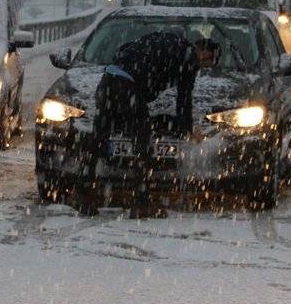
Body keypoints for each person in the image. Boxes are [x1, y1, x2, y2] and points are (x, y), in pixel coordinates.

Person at [83, 31, 219, 218]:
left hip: (108, 80)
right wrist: (188, 129)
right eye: (207, 62)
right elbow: (184, 99)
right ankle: (141, 203)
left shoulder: (169, 39)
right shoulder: (189, 58)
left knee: (98, 138)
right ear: (203, 51)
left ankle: (86, 197)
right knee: (142, 143)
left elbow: (125, 48)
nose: (203, 66)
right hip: (127, 87)